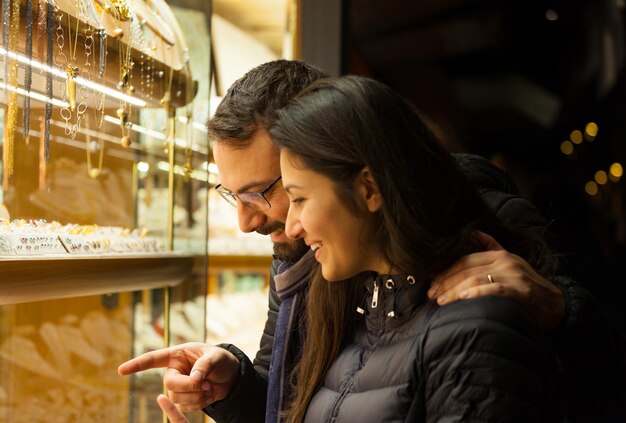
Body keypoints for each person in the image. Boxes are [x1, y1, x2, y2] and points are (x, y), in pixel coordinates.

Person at [118, 60, 625, 422]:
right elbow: (301, 393)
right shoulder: (320, 260)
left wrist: (558, 307)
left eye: (270, 193)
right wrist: (232, 384)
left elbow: (590, 369)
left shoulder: (477, 238)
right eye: (232, 196)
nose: (248, 223)